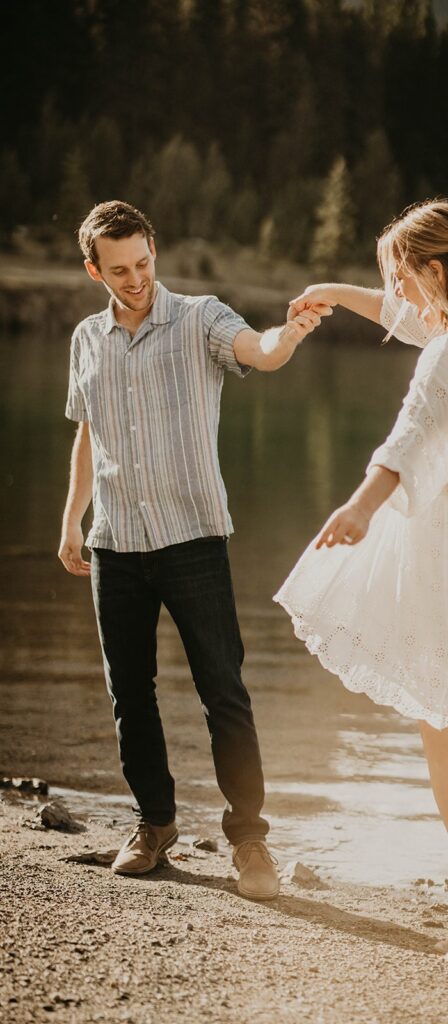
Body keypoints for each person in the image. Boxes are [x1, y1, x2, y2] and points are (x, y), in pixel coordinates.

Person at [275, 199, 448, 968]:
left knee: (441, 733)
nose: (396, 292)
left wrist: (359, 506)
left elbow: (409, 438)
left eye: (402, 275)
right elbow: (408, 320)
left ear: (435, 270)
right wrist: (337, 292)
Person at [58, 200, 330, 899]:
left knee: (223, 690)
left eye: (143, 262)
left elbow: (259, 351)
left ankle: (249, 842)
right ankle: (154, 825)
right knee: (129, 694)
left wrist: (288, 336)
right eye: (119, 269)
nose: (136, 277)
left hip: (193, 539)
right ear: (95, 270)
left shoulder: (201, 317)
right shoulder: (87, 339)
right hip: (115, 541)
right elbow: (88, 433)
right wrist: (71, 520)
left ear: (154, 251)